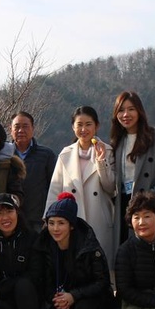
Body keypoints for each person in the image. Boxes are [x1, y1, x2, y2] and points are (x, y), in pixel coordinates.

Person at [30, 192, 113, 309]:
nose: (55, 228)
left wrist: (74, 296)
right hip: (62, 297)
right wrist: (56, 297)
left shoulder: (88, 246)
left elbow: (102, 282)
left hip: (92, 299)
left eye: (61, 223)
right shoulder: (44, 246)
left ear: (72, 225)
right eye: (51, 223)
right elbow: (42, 279)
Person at [45, 106, 115, 269]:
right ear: (73, 127)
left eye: (88, 124)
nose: (84, 129)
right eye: (79, 125)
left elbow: (111, 187)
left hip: (99, 218)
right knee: (74, 265)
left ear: (97, 126)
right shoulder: (65, 154)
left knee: (99, 266)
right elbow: (55, 188)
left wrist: (101, 161)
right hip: (72, 219)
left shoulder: (108, 151)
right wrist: (48, 218)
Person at [109, 90, 155, 245]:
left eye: (131, 109)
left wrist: (153, 195)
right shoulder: (116, 142)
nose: (126, 114)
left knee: (152, 251)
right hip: (124, 205)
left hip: (149, 204)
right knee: (126, 251)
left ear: (139, 111)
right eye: (121, 110)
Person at [10, 111, 56, 233]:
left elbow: (54, 187)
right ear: (11, 130)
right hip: (10, 220)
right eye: (17, 127)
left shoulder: (46, 155)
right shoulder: (4, 155)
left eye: (25, 126)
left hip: (38, 220)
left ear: (33, 129)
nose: (21, 130)